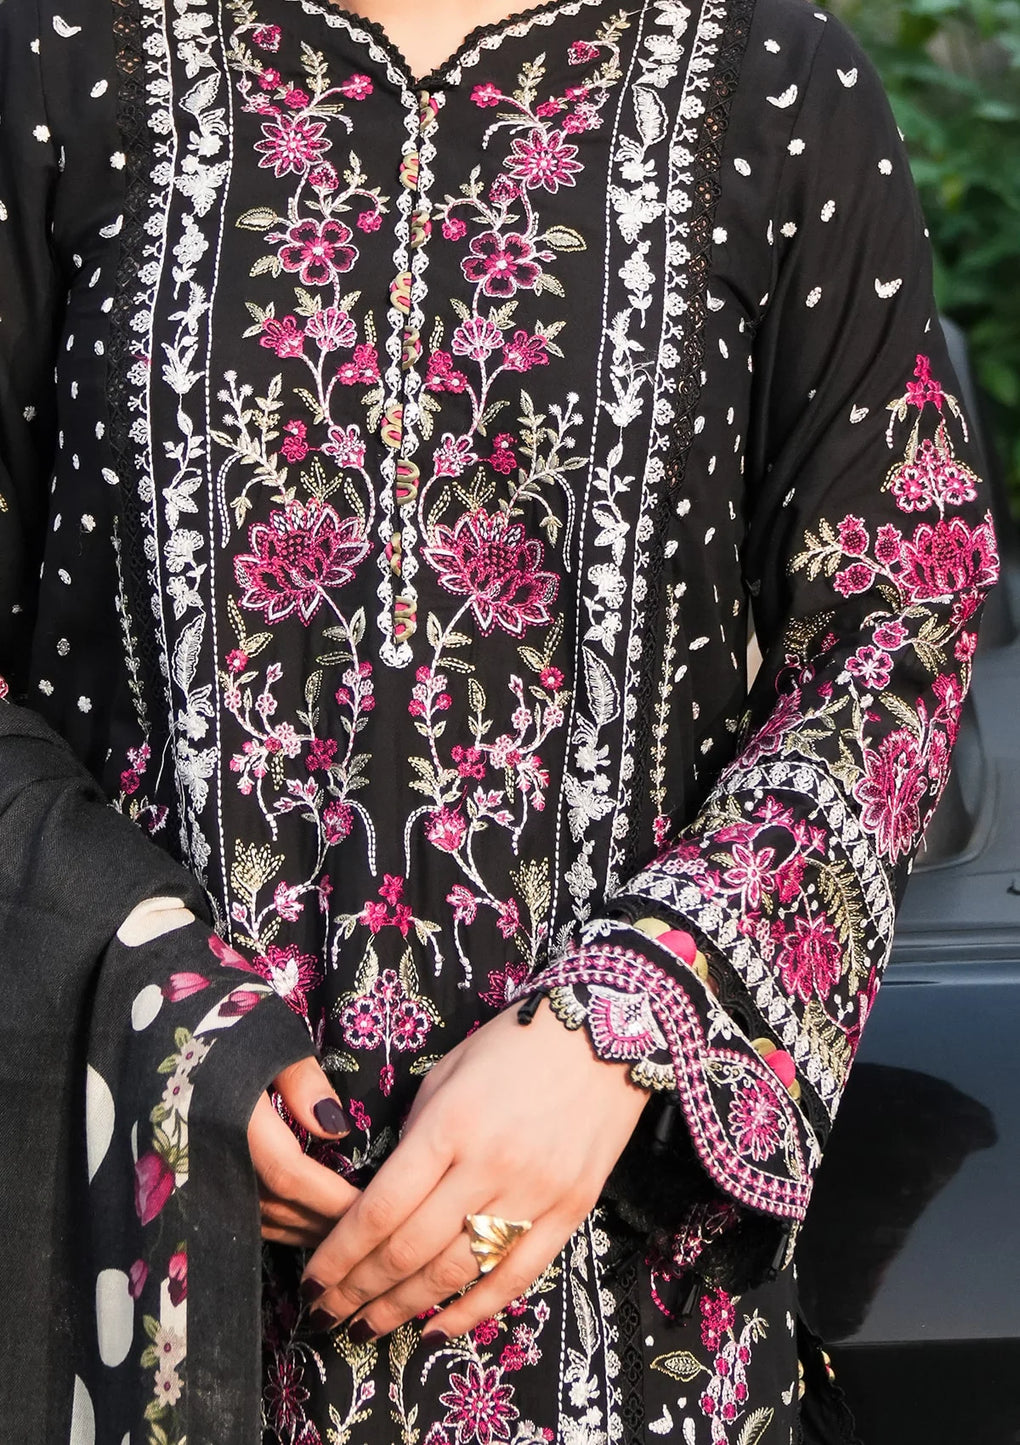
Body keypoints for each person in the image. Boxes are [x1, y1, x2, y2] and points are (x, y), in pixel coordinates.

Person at [0, 0, 999, 1440]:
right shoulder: (67, 60)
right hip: (154, 1296)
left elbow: (899, 619)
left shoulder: (772, 79)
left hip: (625, 1324)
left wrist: (632, 1019)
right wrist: (160, 996)